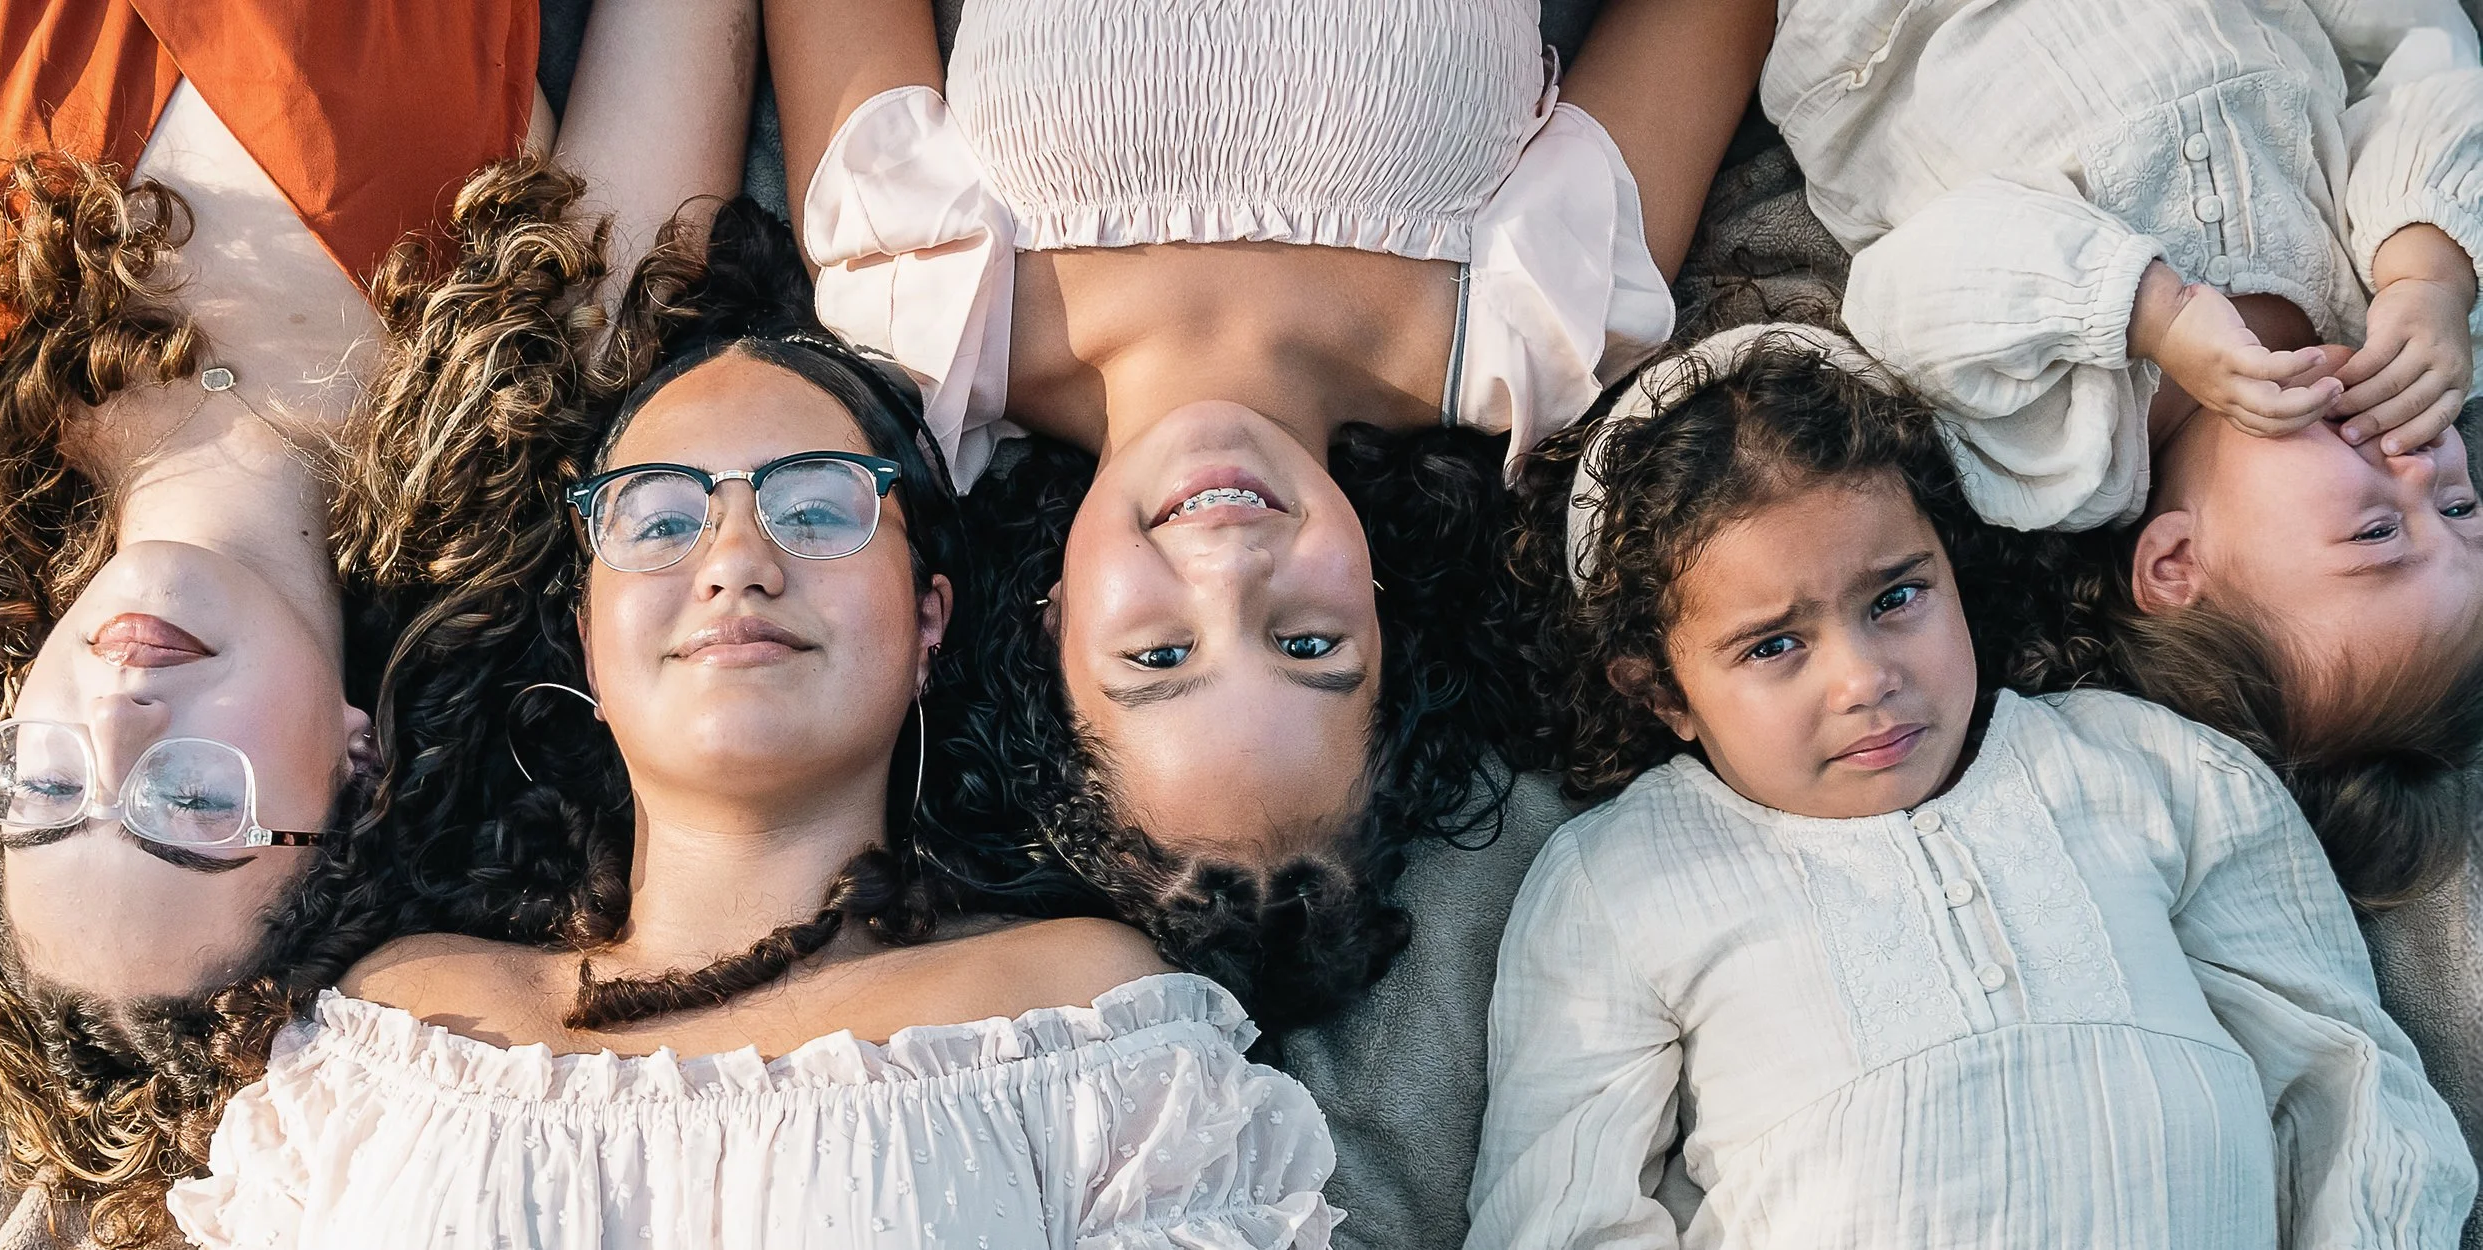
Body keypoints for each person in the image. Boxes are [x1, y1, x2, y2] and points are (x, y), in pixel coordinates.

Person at [169, 187, 1338, 1249]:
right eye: (661, 520)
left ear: (930, 617)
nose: (735, 559)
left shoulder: (1087, 1025)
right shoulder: (392, 1030)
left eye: (818, 506)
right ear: (588, 634)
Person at [763, 0, 1771, 1018]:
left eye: (1158, 655)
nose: (1229, 563)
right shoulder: (1538, 319)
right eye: (1307, 643)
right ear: (1386, 622)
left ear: (1051, 627)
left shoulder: (916, 297)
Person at [0, 2, 754, 1240]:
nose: (120, 718)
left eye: (49, 788)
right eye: (191, 802)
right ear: (356, 771)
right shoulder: (543, 362)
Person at [1472, 324, 2474, 1248]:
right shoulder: (1618, 880)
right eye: (1774, 643)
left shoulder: (2152, 766)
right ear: (1661, 690)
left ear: (1954, 565)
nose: (1863, 678)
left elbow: (2349, 1078)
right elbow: (1558, 1212)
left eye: (1896, 596)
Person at [1761, 0, 2483, 905]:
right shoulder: (2394, 317)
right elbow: (2430, 72)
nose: (2426, 466)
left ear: (2178, 564)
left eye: (2378, 532)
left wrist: (2151, 312)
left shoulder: (2055, 446)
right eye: (2462, 510)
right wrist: (2432, 273)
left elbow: (1907, 287)